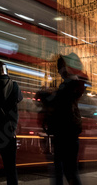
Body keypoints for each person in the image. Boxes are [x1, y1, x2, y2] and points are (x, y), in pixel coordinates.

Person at [42, 53, 86, 185]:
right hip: (66, 134)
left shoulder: (70, 85)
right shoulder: (70, 85)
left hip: (66, 134)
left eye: (59, 67)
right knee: (63, 171)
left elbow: (60, 106)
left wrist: (47, 99)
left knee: (68, 172)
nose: (58, 70)